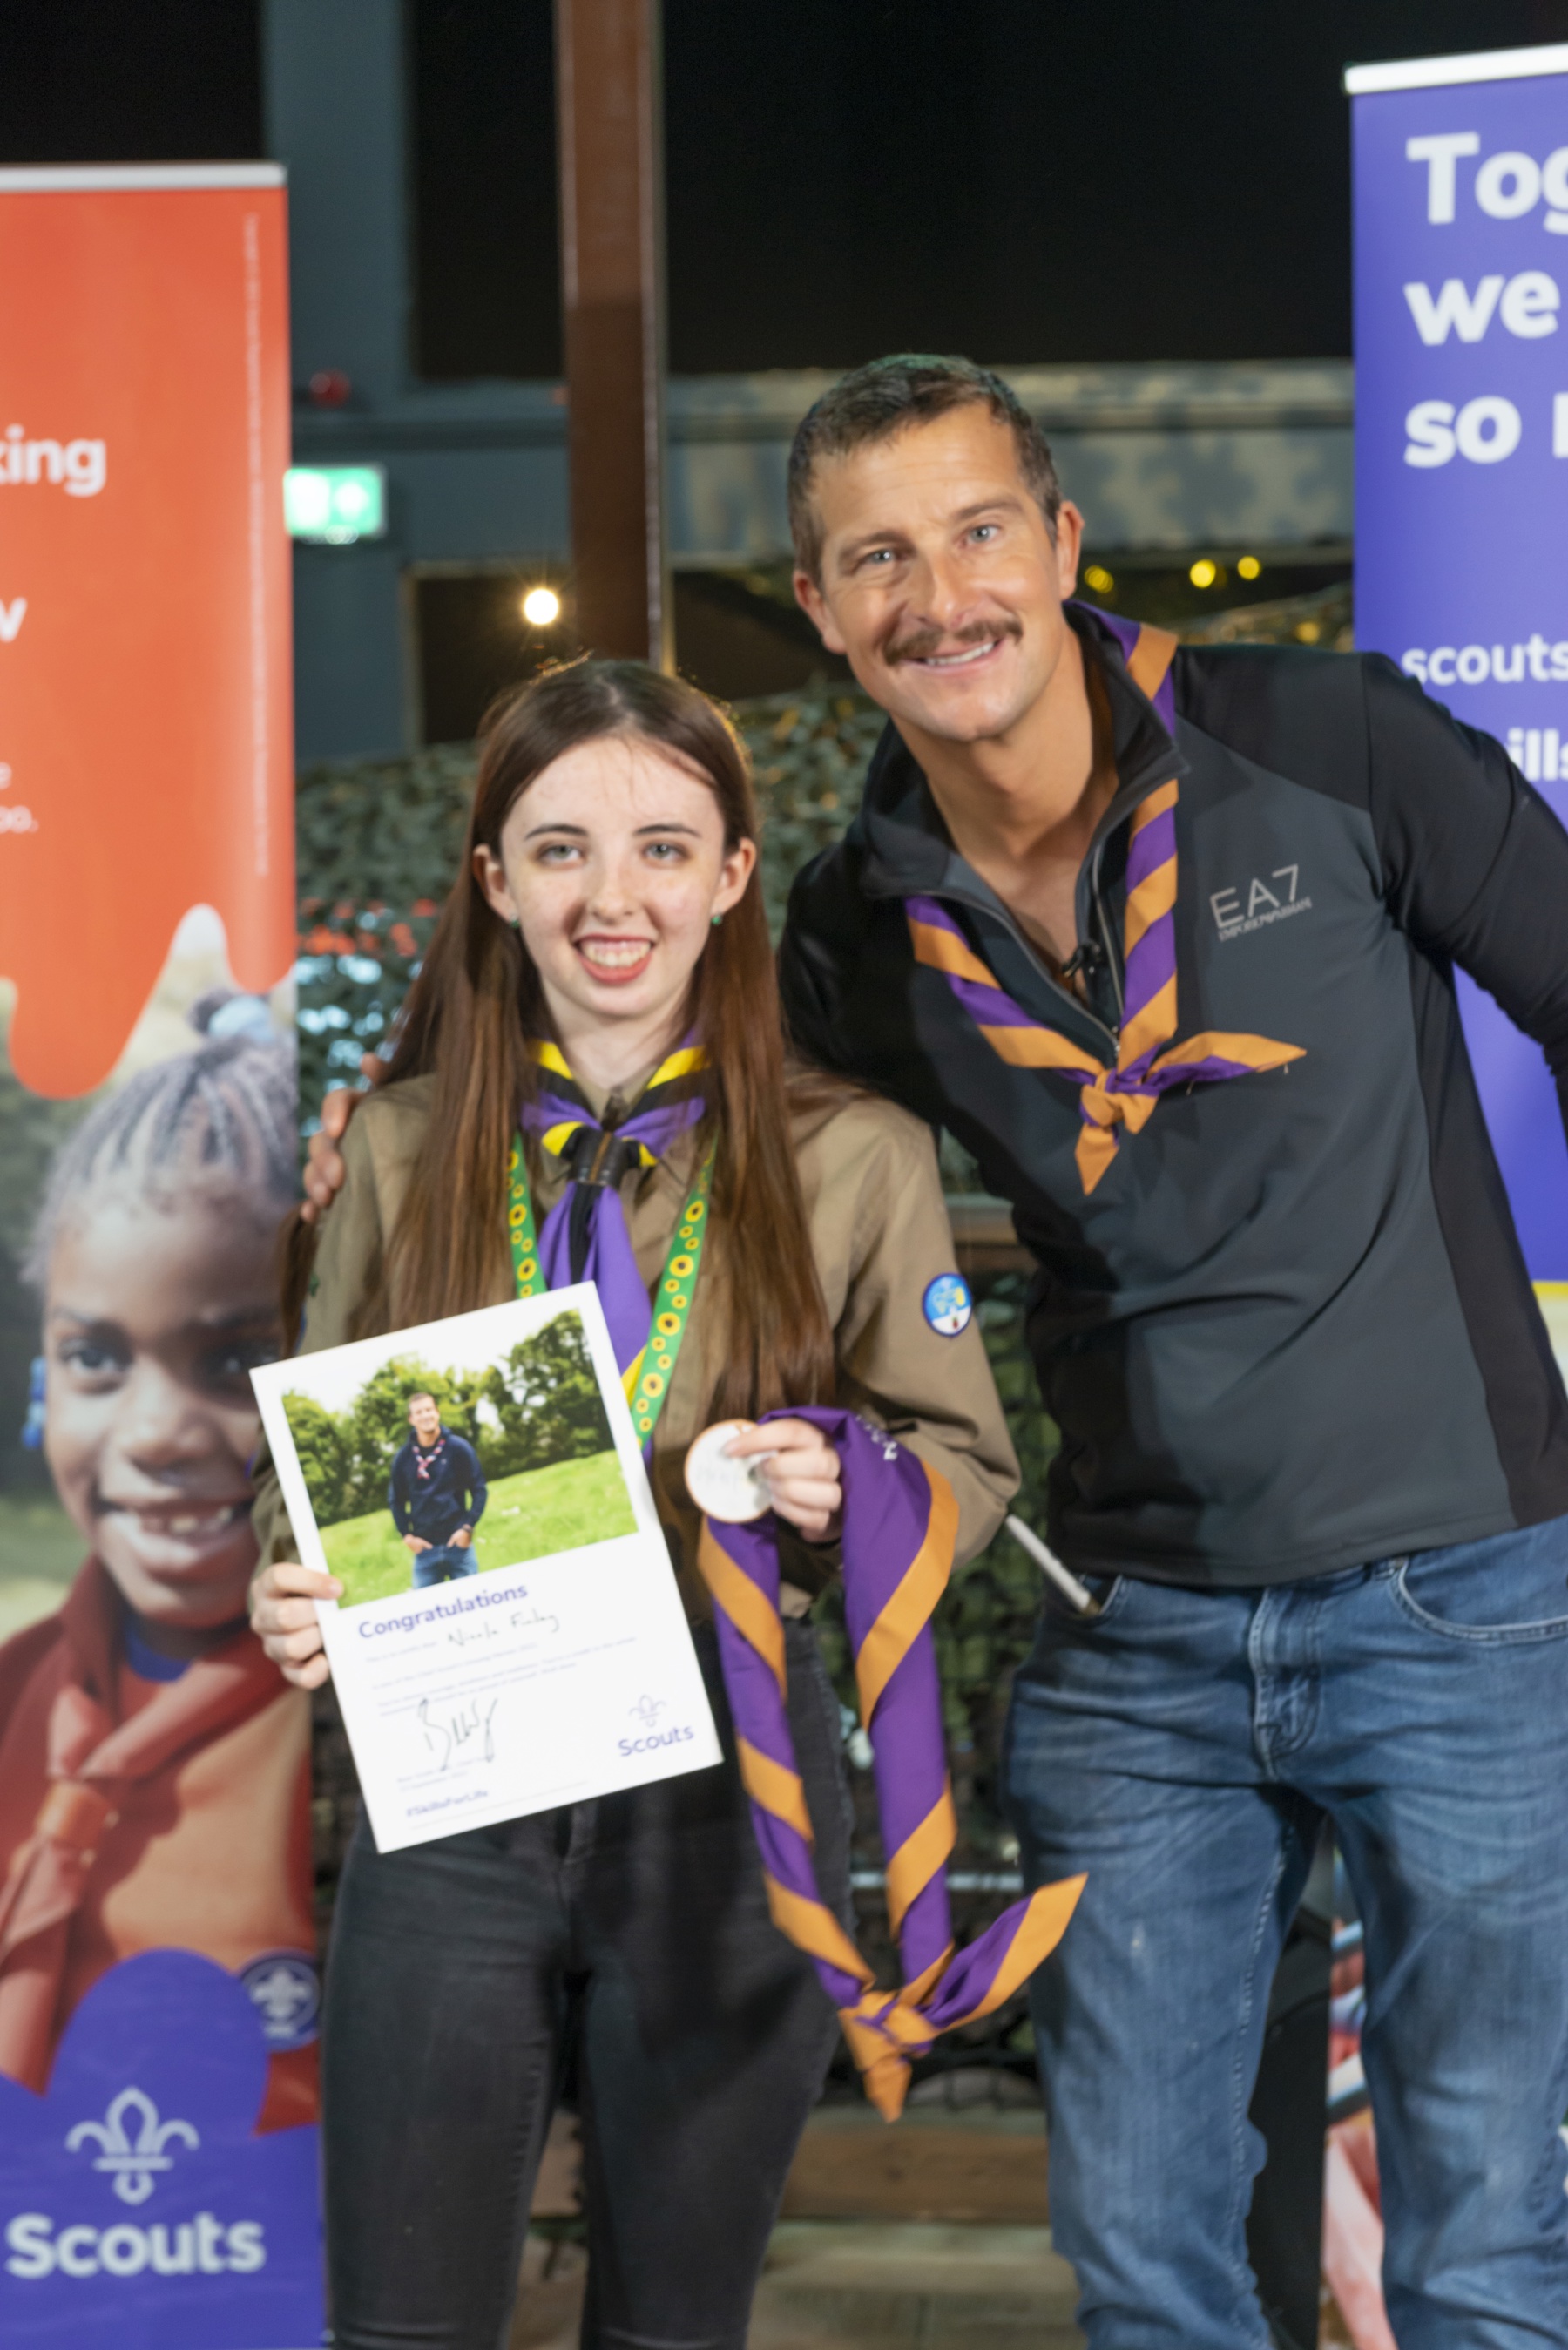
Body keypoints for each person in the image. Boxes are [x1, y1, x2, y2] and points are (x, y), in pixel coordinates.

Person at [249, 658, 1017, 2350]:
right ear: (494, 879)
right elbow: (297, 1478)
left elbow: (961, 1461)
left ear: (734, 874)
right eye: (564, 848)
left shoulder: (851, 1155)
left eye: (666, 847)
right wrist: (285, 1581)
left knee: (676, 2325)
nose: (615, 896)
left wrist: (852, 1487)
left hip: (729, 1804)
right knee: (401, 2323)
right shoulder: (396, 1147)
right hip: (451, 1800)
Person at [0, 1012, 316, 2131]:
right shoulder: (14, 1698)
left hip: (291, 2267)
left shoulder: (372, 1722)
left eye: (232, 1359)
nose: (155, 1433)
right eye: (94, 1358)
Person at [387, 1390, 487, 1585]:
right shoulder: (404, 1458)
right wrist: (407, 1536)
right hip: (425, 1551)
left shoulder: (458, 1448)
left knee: (475, 1601)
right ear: (411, 1419)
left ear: (437, 1413)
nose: (425, 1416)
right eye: (419, 1412)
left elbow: (479, 1488)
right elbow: (396, 1500)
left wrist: (468, 1527)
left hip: (459, 1545)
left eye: (429, 1409)